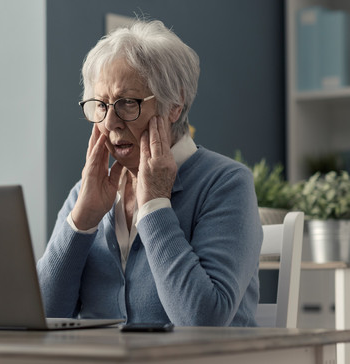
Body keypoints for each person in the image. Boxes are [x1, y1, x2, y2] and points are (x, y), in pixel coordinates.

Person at [37, 19, 263, 326]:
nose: (111, 122)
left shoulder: (225, 184)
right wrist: (81, 222)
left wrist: (155, 205)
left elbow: (203, 322)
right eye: (101, 105)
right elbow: (40, 317)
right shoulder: (85, 193)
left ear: (175, 105)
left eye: (127, 103)